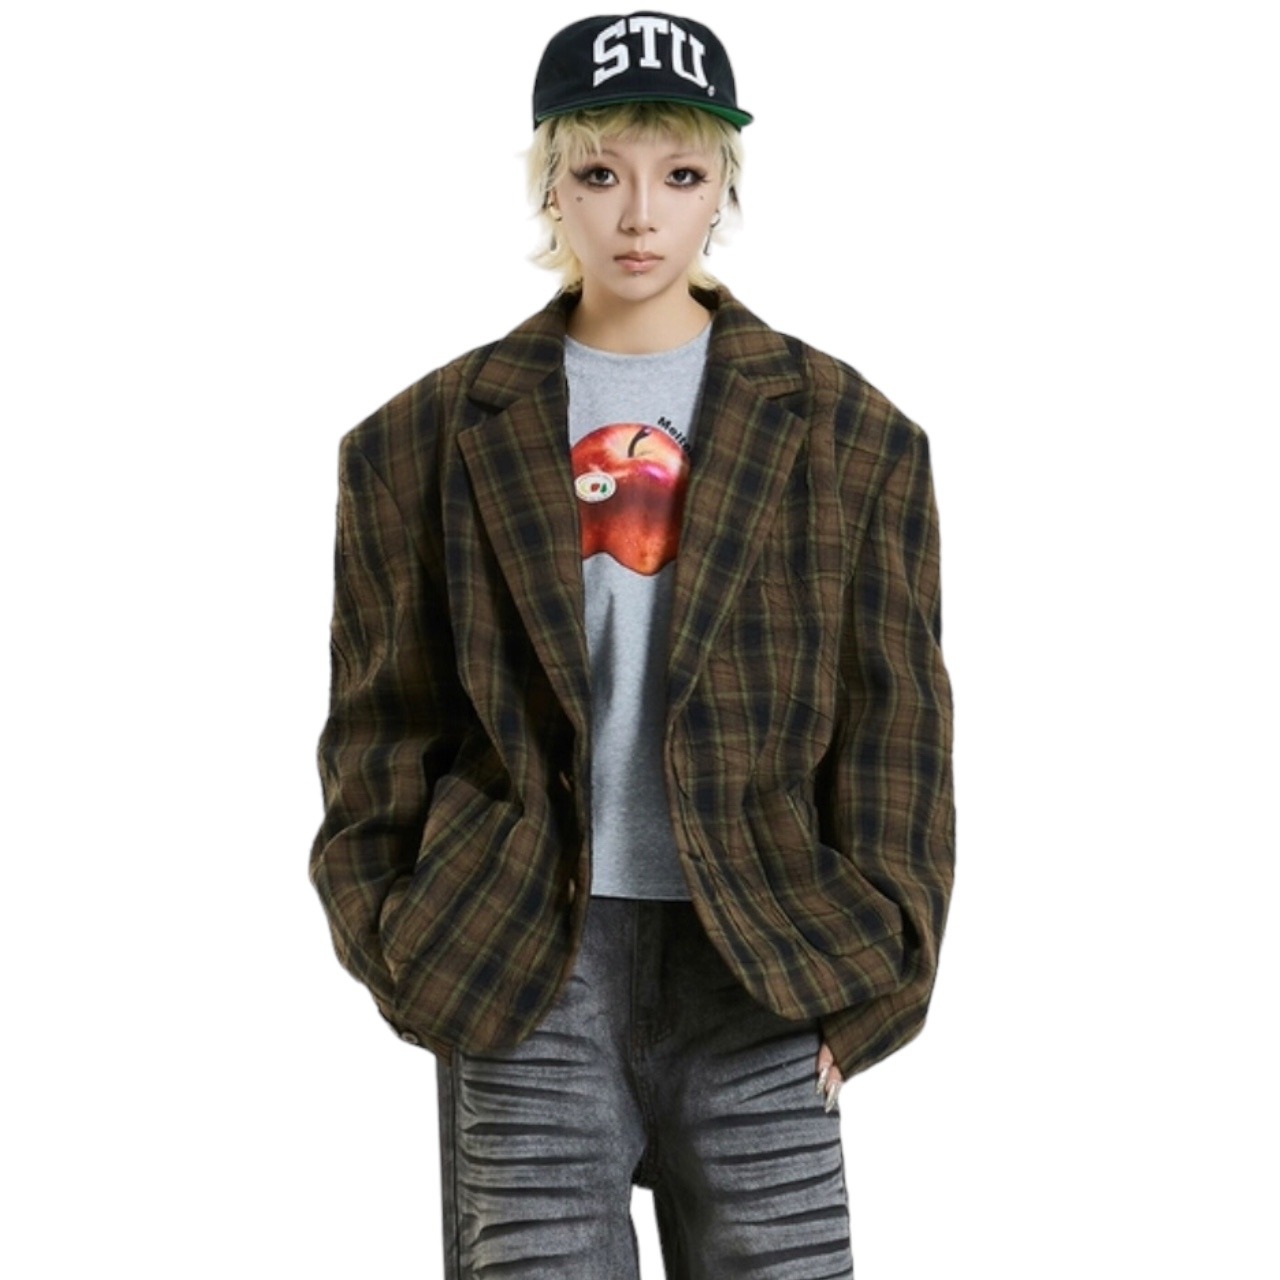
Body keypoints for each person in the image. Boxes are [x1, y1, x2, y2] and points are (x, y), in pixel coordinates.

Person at [310, 11, 954, 1278]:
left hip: (764, 950)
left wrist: (880, 965)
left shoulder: (853, 436)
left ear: (724, 187)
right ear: (551, 184)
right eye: (601, 173)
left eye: (681, 172)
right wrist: (405, 940)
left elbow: (897, 727)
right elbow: (379, 726)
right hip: (519, 952)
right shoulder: (414, 442)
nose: (640, 215)